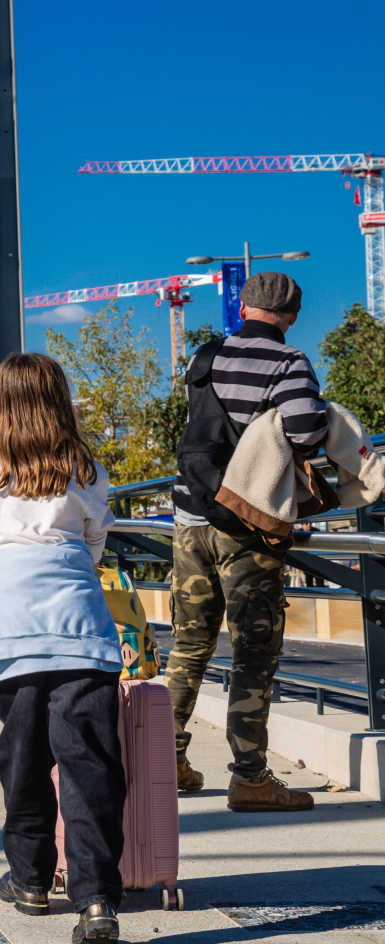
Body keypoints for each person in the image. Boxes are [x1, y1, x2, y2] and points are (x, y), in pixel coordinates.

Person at [0, 354, 125, 944]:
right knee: (89, 765)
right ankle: (96, 900)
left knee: (24, 758)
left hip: (12, 630)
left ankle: (30, 880)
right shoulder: (87, 471)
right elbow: (95, 543)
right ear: (61, 400)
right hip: (79, 627)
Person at [167, 271, 323, 811]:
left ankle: (165, 760)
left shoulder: (205, 356)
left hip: (190, 516)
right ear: (292, 316)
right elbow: (306, 432)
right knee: (253, 653)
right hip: (245, 525)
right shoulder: (288, 362)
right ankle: (251, 779)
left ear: (243, 307)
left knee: (190, 644)